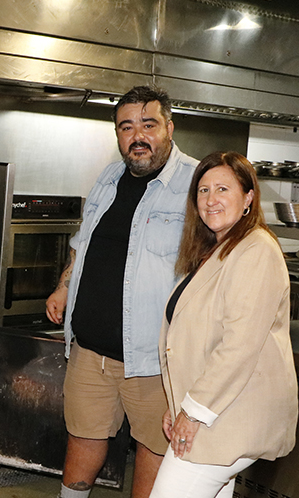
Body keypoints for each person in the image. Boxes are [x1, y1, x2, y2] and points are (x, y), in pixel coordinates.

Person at [45, 85, 197, 498]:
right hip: (90, 350)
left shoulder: (195, 183)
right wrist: (63, 287)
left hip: (154, 359)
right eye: (126, 127)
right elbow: (81, 243)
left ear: (169, 127)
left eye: (148, 125)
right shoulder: (109, 177)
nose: (137, 136)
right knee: (83, 436)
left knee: (154, 446)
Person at [149, 152, 297, 498]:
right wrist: (178, 404)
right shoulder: (216, 250)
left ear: (248, 197)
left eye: (222, 189)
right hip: (214, 414)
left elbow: (239, 345)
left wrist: (193, 412)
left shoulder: (255, 250)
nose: (211, 200)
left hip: (226, 418)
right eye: (203, 191)